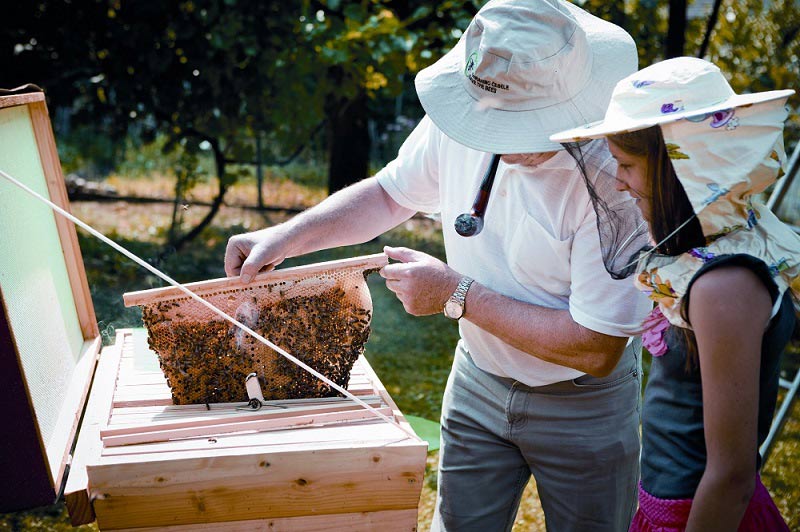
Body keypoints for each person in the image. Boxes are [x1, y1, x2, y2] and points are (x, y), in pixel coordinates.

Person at [226, 1, 652, 529]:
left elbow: (595, 347)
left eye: (521, 125)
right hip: (477, 382)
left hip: (583, 407)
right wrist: (284, 237)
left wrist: (457, 295)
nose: (499, 139)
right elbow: (388, 196)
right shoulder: (471, 110)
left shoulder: (620, 184)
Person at [551, 56, 799, 531]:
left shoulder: (722, 286)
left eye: (627, 165)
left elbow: (730, 475)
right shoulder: (717, 252)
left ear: (679, 166)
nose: (618, 182)